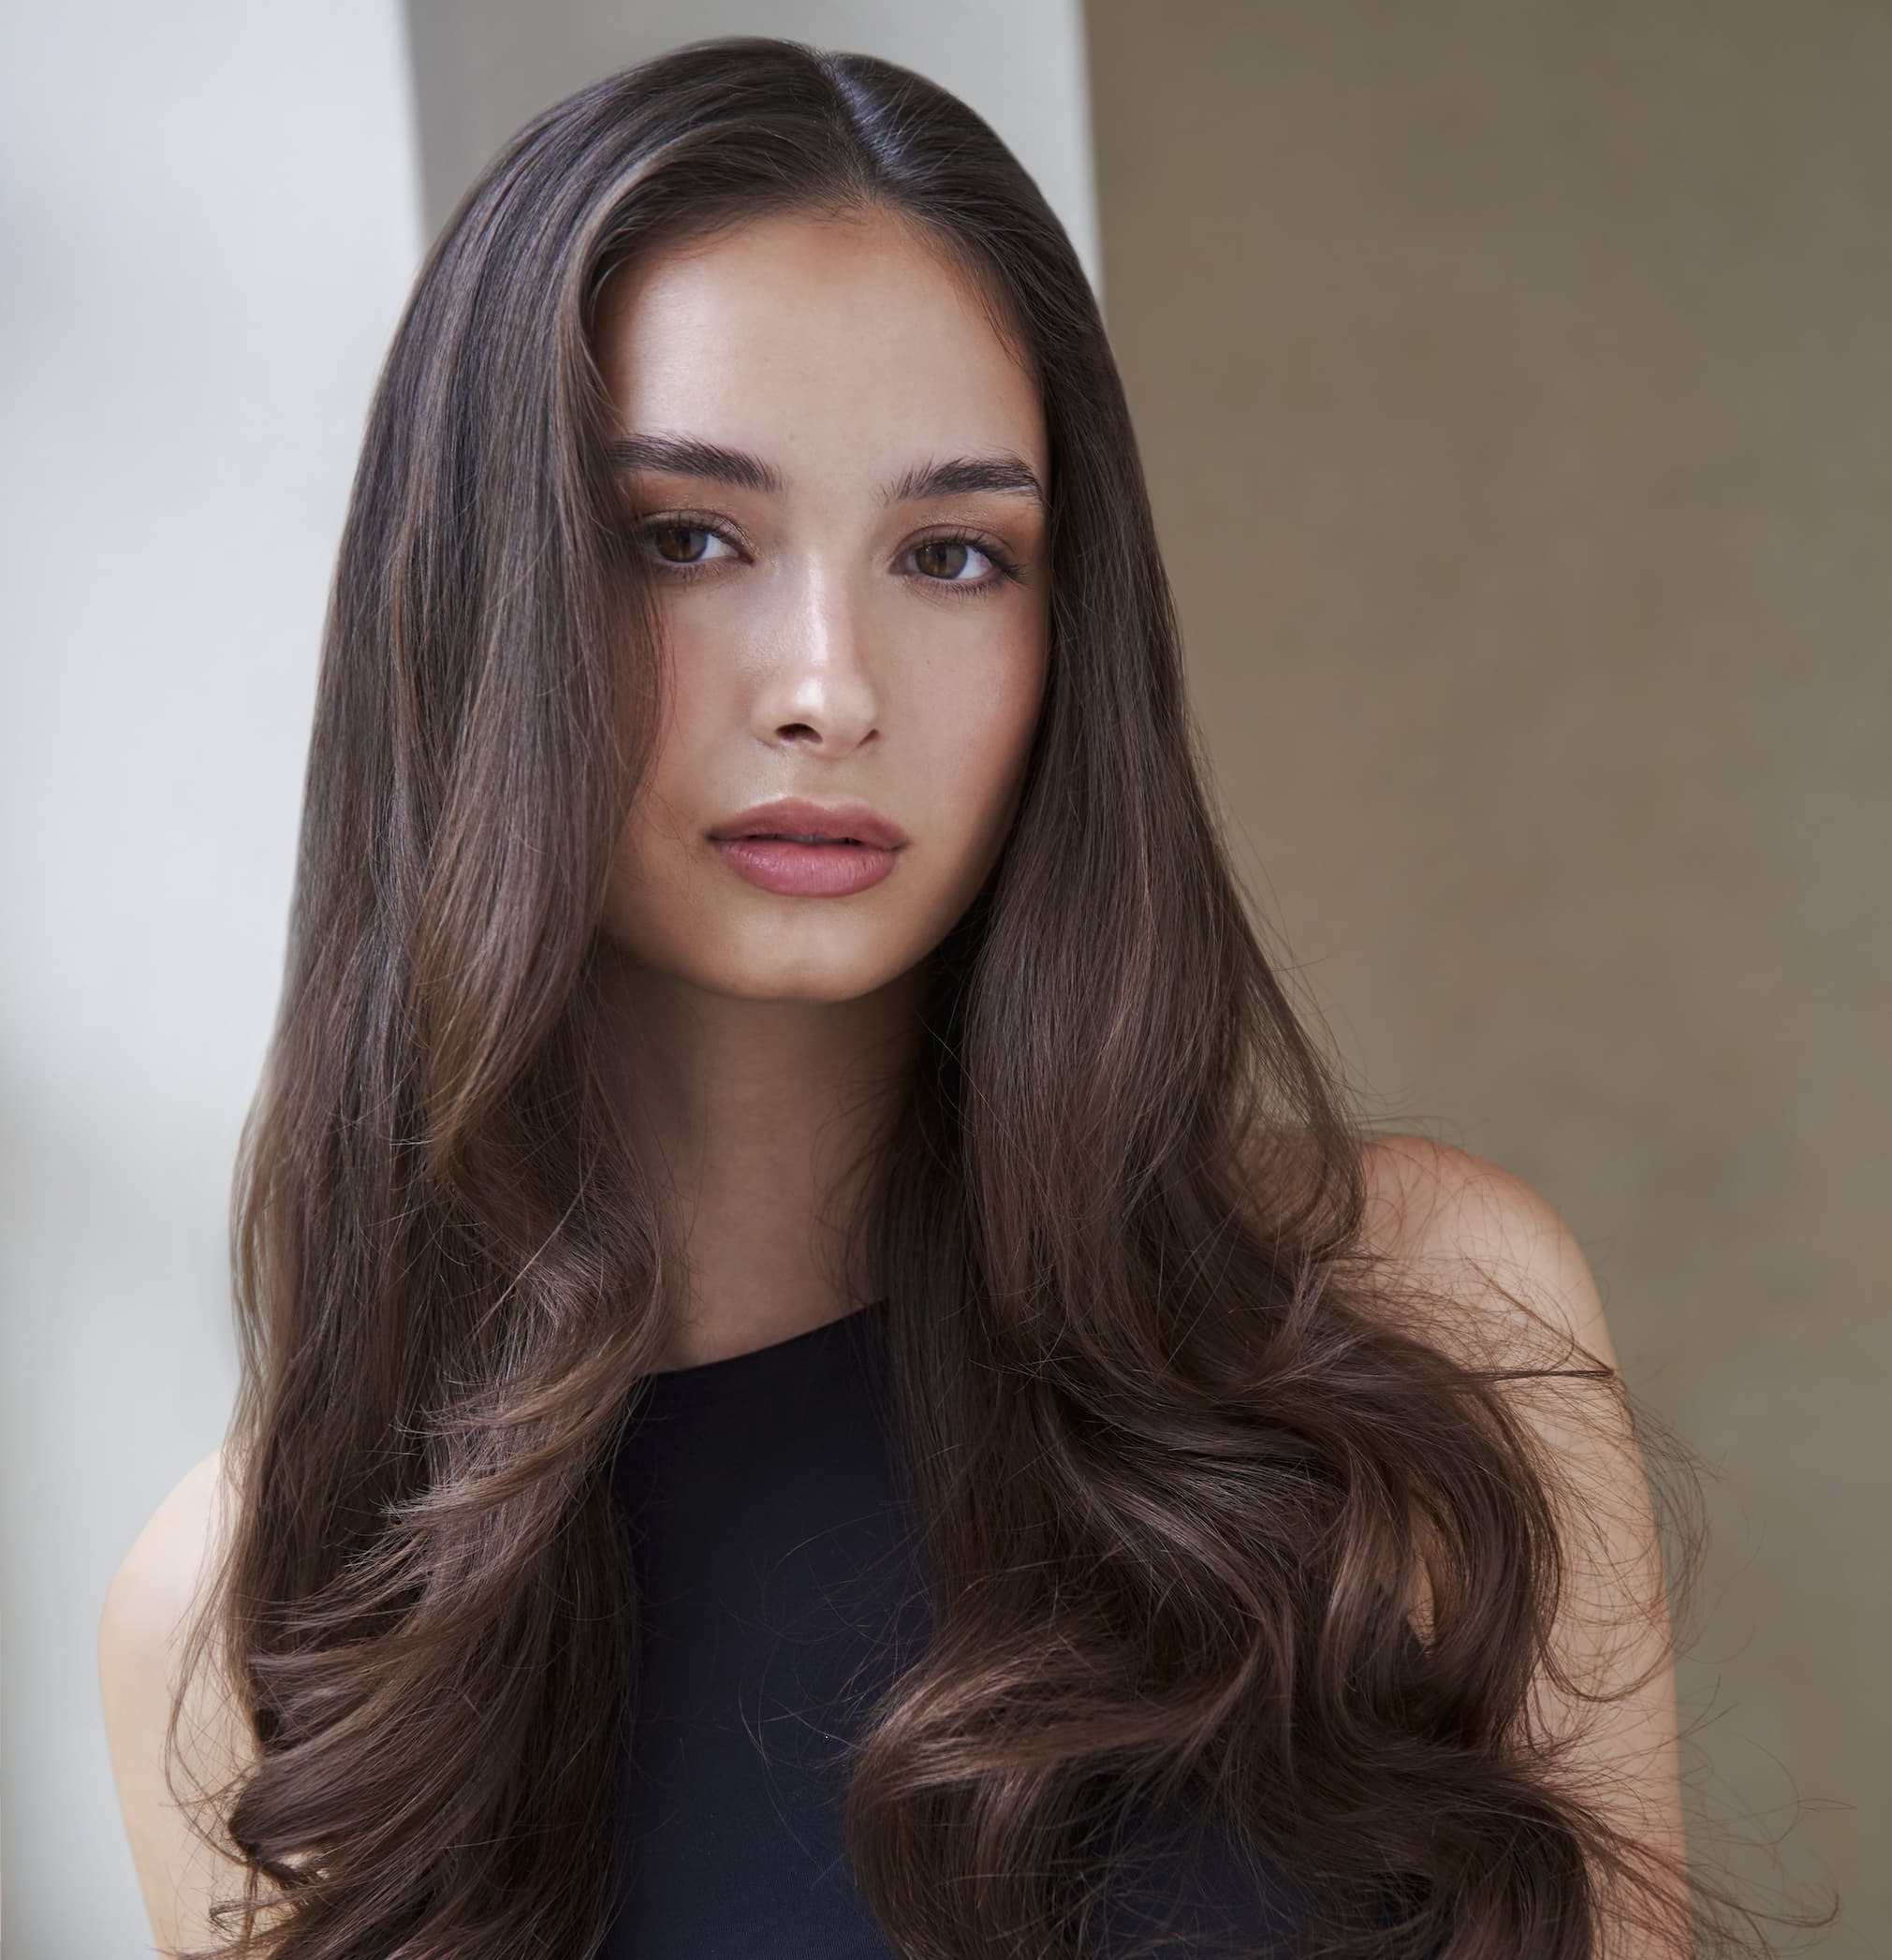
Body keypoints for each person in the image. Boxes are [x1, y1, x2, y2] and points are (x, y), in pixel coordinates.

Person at [96, 36, 1719, 1960]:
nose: (828, 686)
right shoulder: (252, 1618)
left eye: (955, 555)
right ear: (474, 604)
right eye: (685, 537)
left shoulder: (1415, 1337)